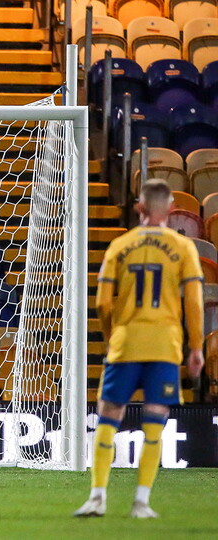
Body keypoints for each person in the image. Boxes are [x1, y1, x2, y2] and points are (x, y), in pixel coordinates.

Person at [74, 180, 204, 519]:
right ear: (170, 208)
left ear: (139, 208)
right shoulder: (183, 247)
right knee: (155, 423)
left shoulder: (120, 245)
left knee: (107, 419)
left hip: (126, 343)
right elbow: (194, 302)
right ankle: (141, 502)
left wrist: (110, 337)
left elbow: (102, 303)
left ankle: (97, 497)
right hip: (164, 345)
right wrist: (196, 347)